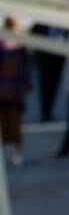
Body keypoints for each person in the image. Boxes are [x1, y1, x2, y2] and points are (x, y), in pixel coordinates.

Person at [0, 17, 32, 168]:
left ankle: (16, 152)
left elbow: (26, 68)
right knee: (4, 123)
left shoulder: (20, 46)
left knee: (16, 123)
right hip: (3, 90)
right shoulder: (2, 45)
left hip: (15, 91)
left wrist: (26, 85)